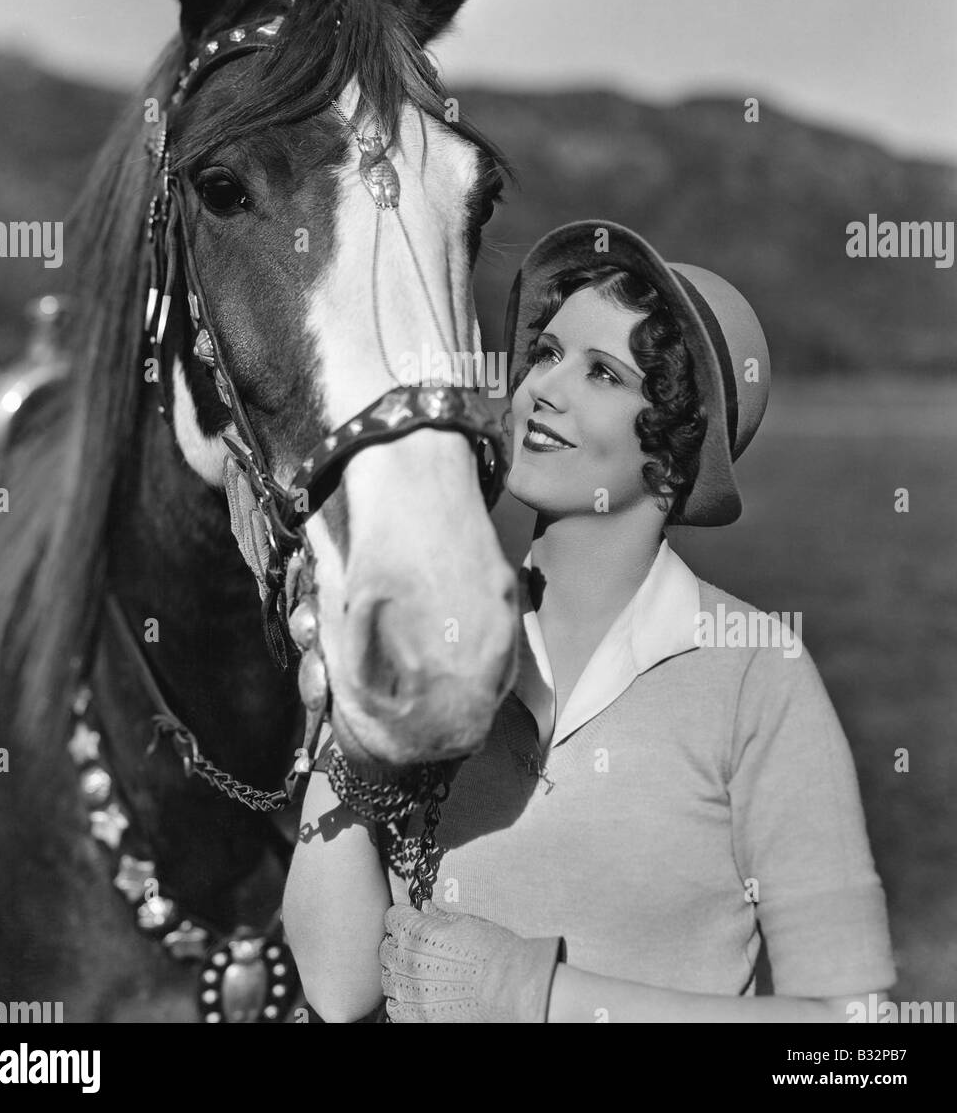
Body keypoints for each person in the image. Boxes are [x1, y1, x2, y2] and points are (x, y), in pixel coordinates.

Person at [282, 219, 896, 1023]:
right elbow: (338, 987)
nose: (543, 388)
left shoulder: (755, 674)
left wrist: (536, 996)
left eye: (603, 373)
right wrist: (350, 710)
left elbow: (857, 1040)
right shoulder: (446, 644)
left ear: (677, 448)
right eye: (546, 353)